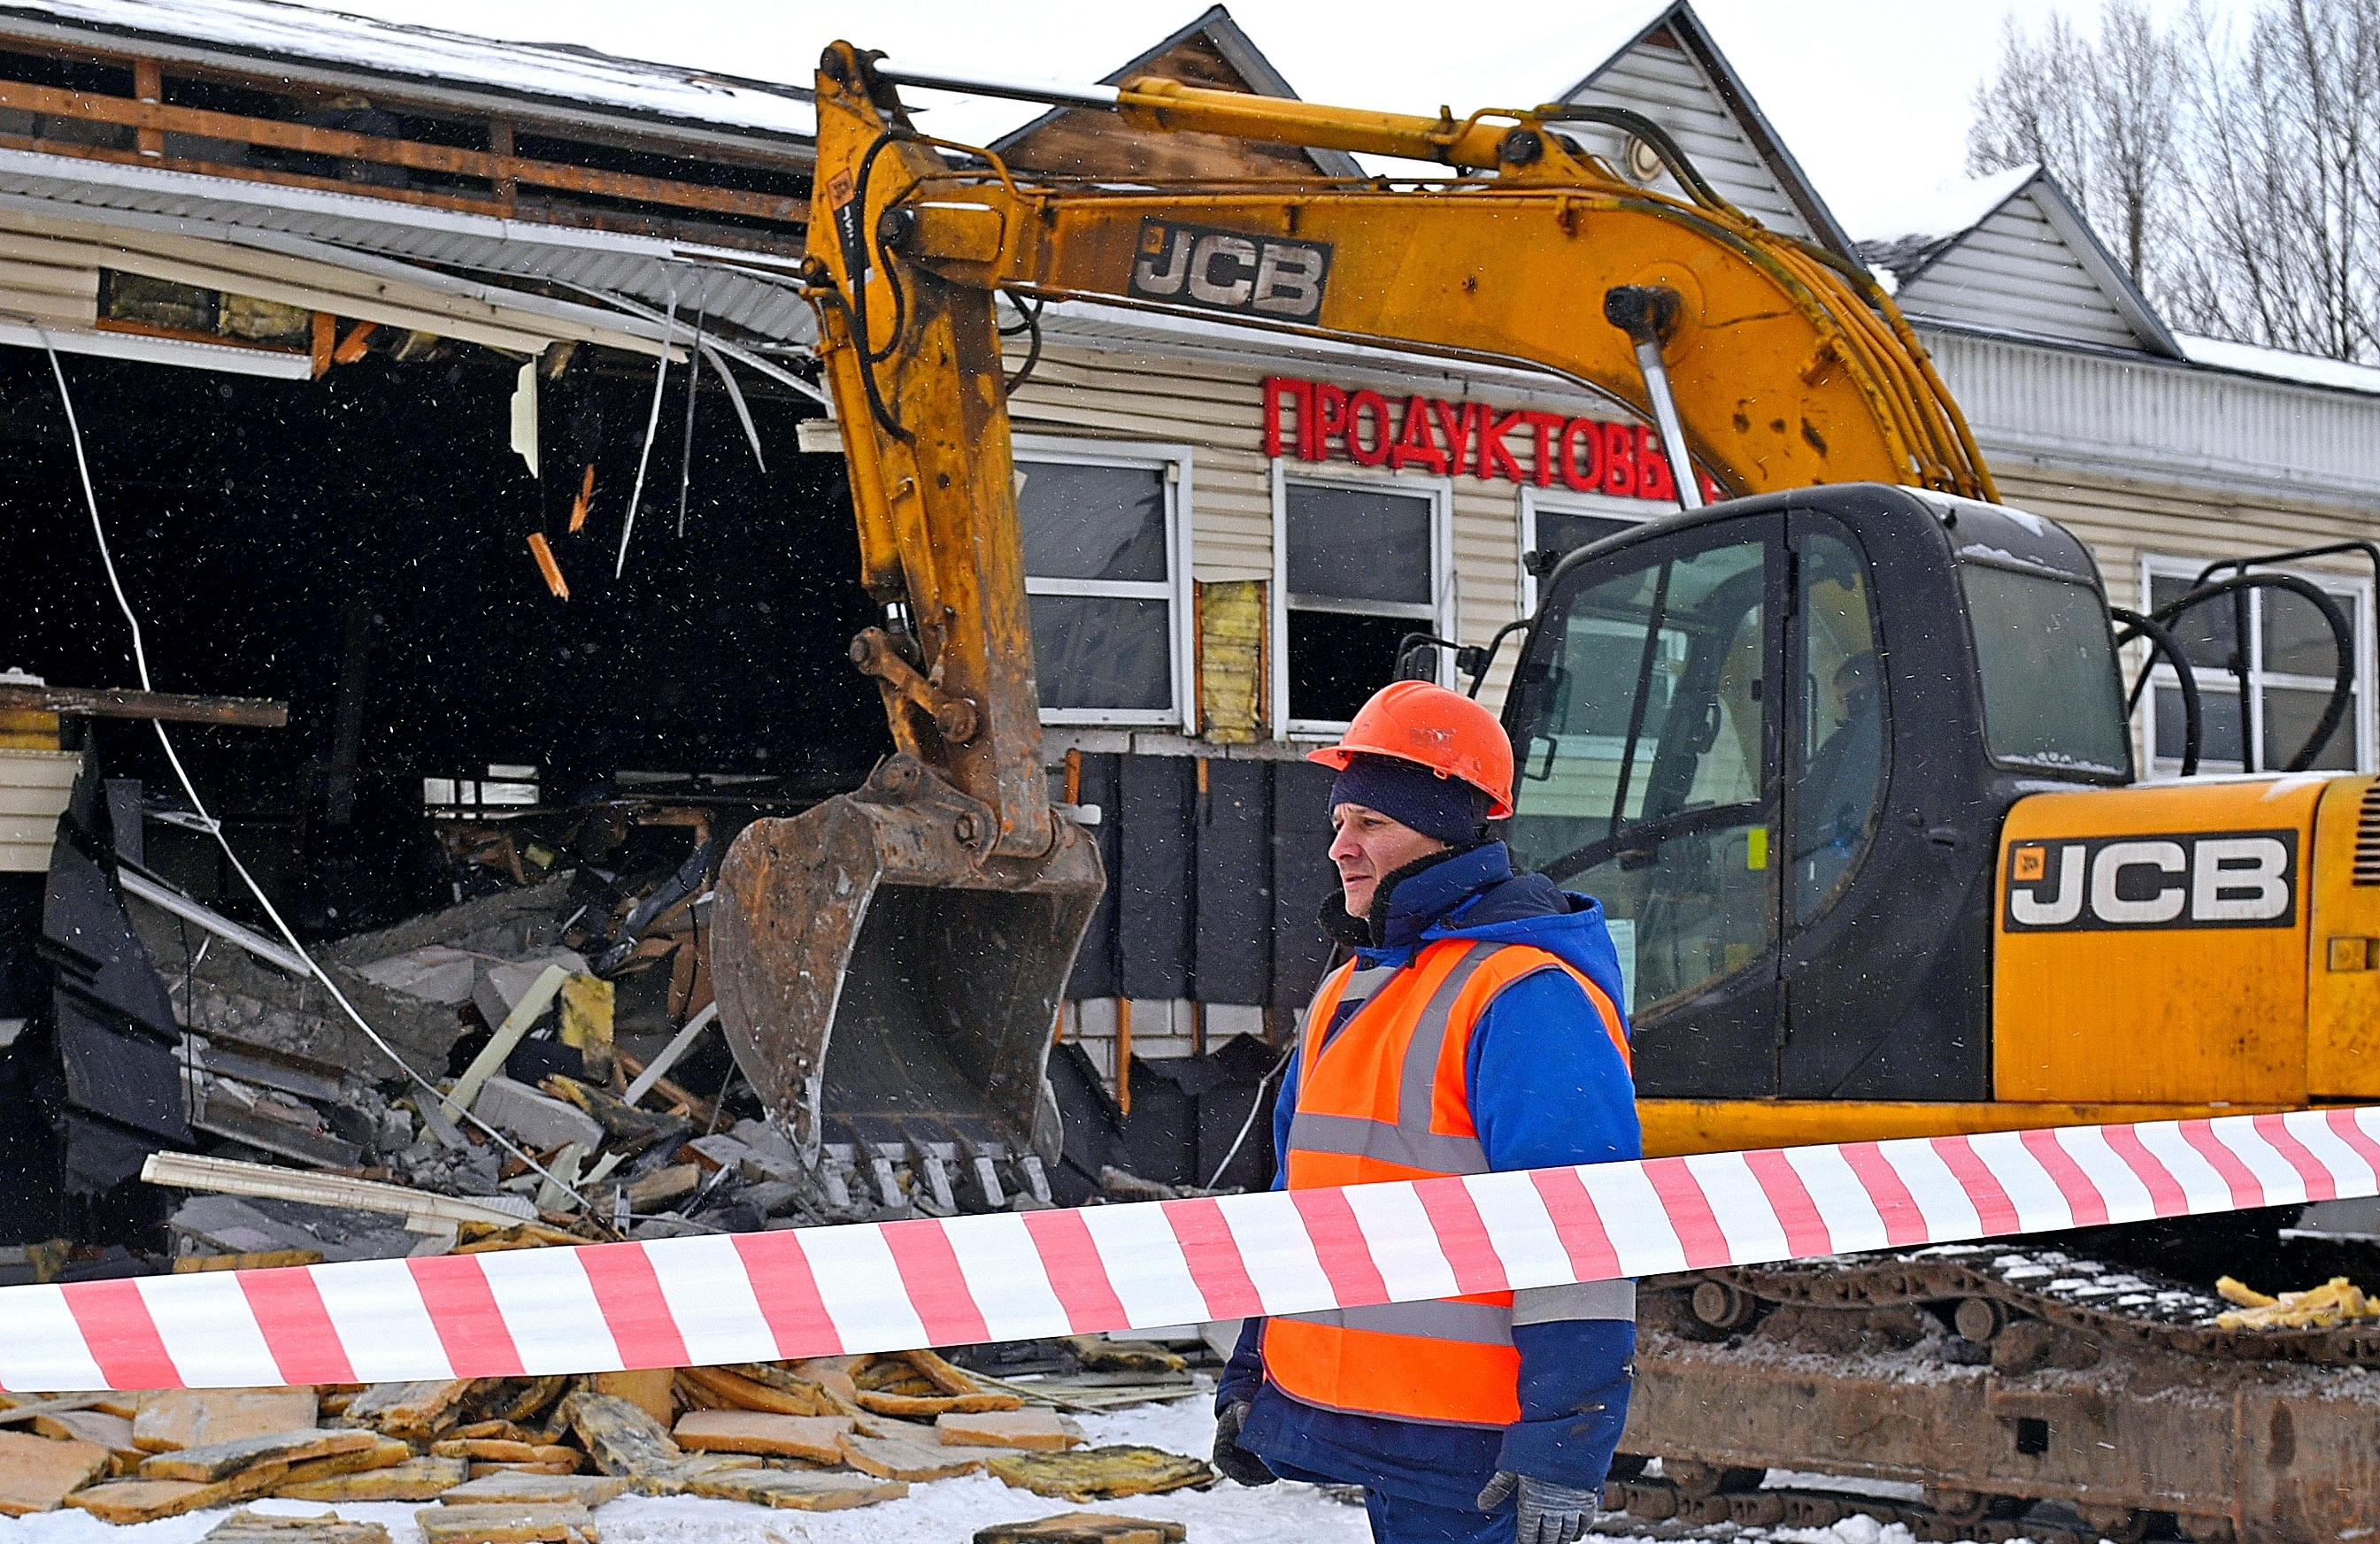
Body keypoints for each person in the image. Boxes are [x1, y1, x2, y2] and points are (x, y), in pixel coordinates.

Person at [1212, 680, 1641, 1544]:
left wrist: (1563, 1441)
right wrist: (1252, 1372)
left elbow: (1580, 1232)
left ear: (1442, 831)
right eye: (1339, 822)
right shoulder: (1350, 986)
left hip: (1477, 1451)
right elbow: (1303, 1200)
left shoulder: (1526, 991)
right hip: (1380, 1432)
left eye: (1370, 821)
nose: (1341, 846)